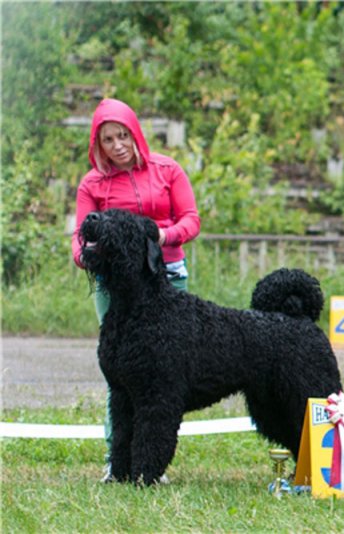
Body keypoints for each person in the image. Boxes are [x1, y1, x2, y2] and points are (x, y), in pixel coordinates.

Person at [71, 98, 201, 481]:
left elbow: (191, 220)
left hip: (168, 276)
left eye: (123, 135)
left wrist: (162, 235)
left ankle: (151, 463)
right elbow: (80, 243)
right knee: (121, 374)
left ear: (135, 134)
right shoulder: (91, 184)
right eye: (108, 139)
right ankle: (118, 462)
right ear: (99, 145)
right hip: (115, 289)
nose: (117, 145)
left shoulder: (167, 169)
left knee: (162, 376)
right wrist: (86, 258)